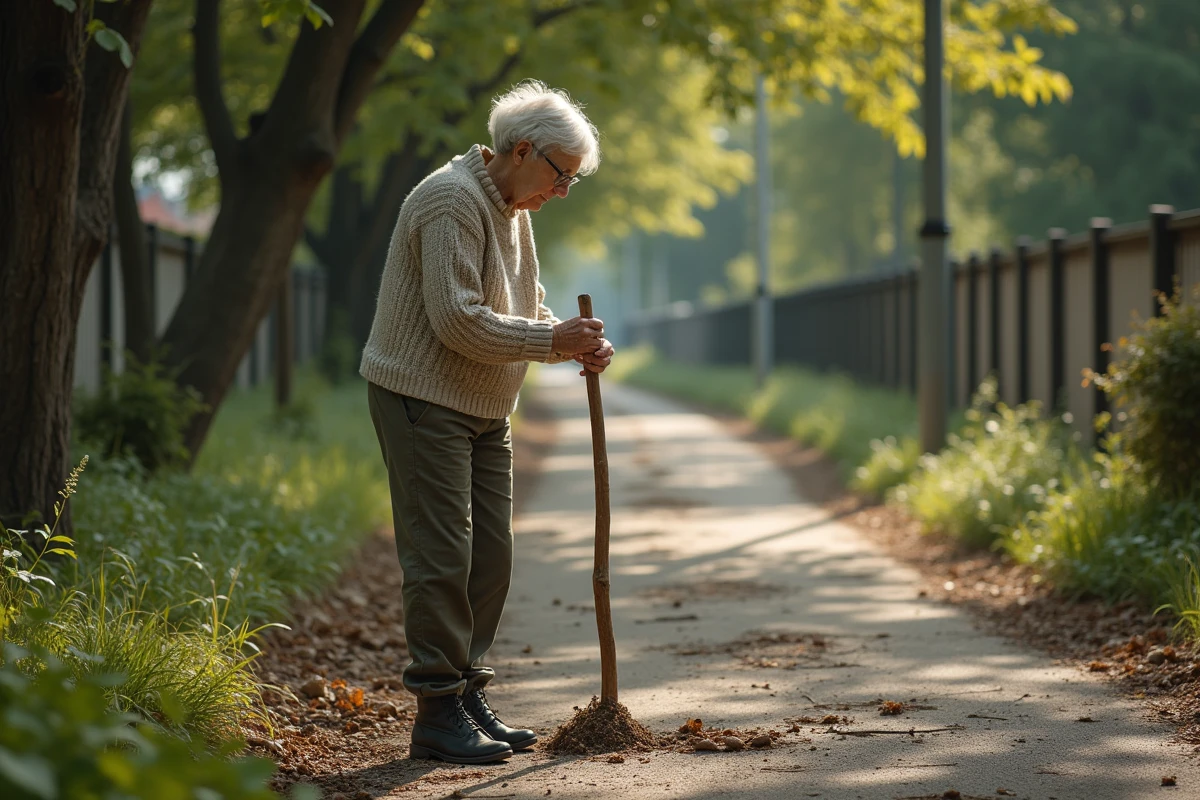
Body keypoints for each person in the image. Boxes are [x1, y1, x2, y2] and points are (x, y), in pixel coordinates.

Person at [360, 80, 614, 764]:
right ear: (522, 150)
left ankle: (467, 691)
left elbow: (525, 302)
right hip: (422, 396)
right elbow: (457, 320)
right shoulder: (450, 199)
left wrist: (572, 339)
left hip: (483, 404)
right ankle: (437, 710)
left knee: (491, 557)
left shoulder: (511, 206)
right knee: (442, 558)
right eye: (562, 176)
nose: (563, 193)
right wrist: (551, 341)